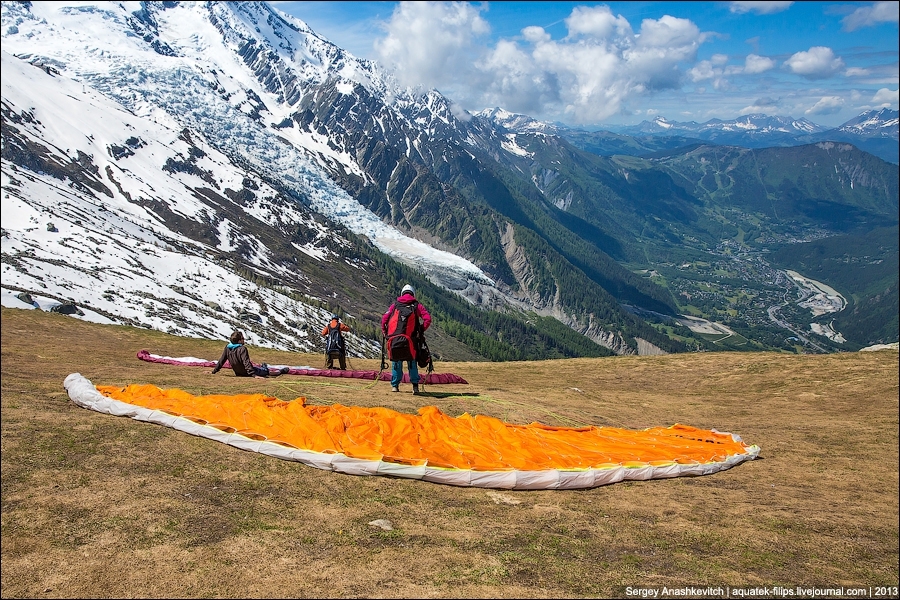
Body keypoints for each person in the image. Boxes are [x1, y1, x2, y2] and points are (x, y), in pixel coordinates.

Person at [381, 284, 431, 394]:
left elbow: (384, 319)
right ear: (413, 293)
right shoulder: (417, 306)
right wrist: (421, 330)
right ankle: (415, 387)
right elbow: (428, 319)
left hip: (394, 339)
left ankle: (395, 386)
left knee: (396, 362)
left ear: (402, 293)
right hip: (411, 340)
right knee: (412, 362)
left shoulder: (395, 305)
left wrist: (385, 333)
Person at [210, 330, 289, 378]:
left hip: (238, 373)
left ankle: (263, 366)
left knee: (261, 367)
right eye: (243, 339)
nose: (244, 340)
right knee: (267, 371)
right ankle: (281, 371)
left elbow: (221, 361)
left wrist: (214, 371)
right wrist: (254, 375)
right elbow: (246, 362)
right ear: (239, 341)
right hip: (248, 373)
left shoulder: (227, 347)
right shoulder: (242, 349)